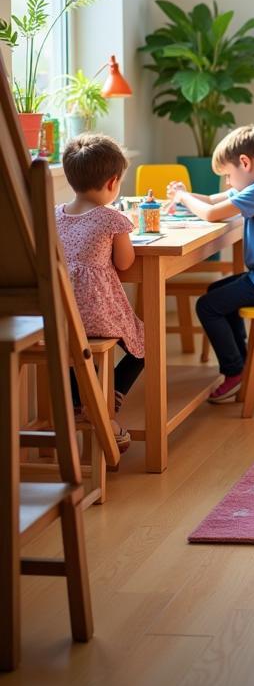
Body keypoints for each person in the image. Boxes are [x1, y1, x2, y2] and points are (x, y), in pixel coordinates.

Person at [169, 125, 254, 403]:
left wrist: (183, 198)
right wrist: (185, 194)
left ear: (245, 163)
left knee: (207, 306)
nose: (228, 183)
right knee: (216, 293)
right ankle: (241, 363)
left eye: (228, 175)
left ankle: (234, 370)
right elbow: (209, 201)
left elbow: (213, 213)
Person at [55, 134, 143, 452]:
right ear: (112, 182)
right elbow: (125, 262)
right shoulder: (111, 218)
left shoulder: (54, 215)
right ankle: (105, 406)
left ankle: (84, 404)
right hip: (95, 314)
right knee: (142, 344)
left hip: (58, 316)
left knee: (71, 352)